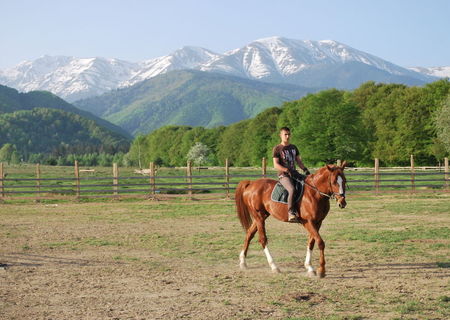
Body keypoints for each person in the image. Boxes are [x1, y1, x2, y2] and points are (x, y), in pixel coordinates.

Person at [272, 127, 310, 222]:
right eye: (285, 134)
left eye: (289, 134)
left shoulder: (294, 147)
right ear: (280, 135)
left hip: (294, 173)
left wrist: (305, 169)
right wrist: (286, 169)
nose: (287, 136)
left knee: (309, 185)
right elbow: (276, 164)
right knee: (291, 189)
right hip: (283, 175)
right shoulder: (277, 149)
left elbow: (298, 161)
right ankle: (291, 213)